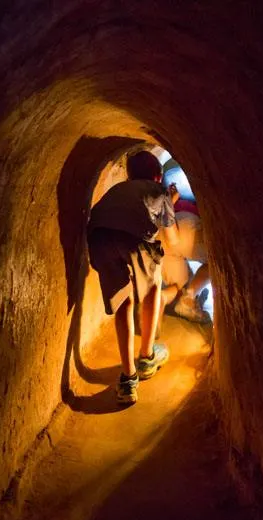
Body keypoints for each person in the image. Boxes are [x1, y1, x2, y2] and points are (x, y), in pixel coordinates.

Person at [87, 151, 179, 405]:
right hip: (131, 240)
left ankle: (128, 380)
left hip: (98, 239)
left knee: (123, 302)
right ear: (158, 175)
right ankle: (147, 357)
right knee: (152, 287)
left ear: (129, 174)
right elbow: (173, 240)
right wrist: (170, 203)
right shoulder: (159, 191)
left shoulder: (120, 188)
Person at [160, 189, 211, 324]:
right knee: (216, 265)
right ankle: (188, 298)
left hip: (161, 239)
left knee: (177, 287)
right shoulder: (189, 203)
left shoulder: (177, 201)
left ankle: (159, 300)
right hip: (186, 233)